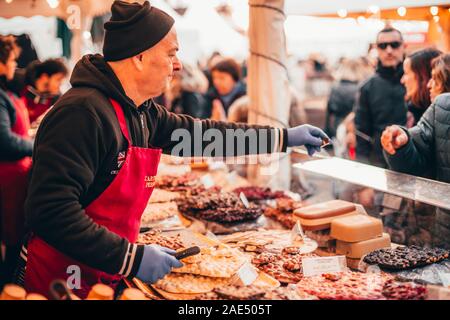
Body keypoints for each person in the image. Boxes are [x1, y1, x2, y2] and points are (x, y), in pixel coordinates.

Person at [23, 1, 328, 298]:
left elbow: (204, 136)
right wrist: (131, 257)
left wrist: (282, 138)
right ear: (139, 57)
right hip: (64, 278)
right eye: (171, 54)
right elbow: (50, 210)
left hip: (107, 270)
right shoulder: (82, 113)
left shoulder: (141, 111)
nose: (179, 65)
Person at [381, 53, 450, 248]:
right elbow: (416, 152)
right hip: (443, 230)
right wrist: (402, 143)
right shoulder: (442, 106)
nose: (429, 85)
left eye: (435, 78)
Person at [0, 36, 33, 286]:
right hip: (6, 178)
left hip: (16, 176)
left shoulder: (7, 92)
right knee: (10, 239)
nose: (15, 65)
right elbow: (5, 141)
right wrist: (37, 146)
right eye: (12, 60)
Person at [354, 27, 407, 168]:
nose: (389, 50)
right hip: (380, 162)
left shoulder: (417, 81)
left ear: (403, 46)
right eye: (383, 46)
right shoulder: (367, 87)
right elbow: (361, 133)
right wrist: (362, 175)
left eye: (394, 45)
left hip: (416, 163)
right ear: (377, 49)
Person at [325, 58, 365, 139]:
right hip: (356, 129)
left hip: (338, 126)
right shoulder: (362, 87)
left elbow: (329, 110)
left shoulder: (335, 87)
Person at [401, 48, 441, 127]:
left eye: (406, 73)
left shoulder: (438, 117)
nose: (402, 80)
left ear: (423, 77)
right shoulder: (415, 112)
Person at [21, 58, 68, 123]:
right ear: (44, 77)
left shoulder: (56, 98)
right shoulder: (20, 84)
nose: (60, 84)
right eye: (58, 79)